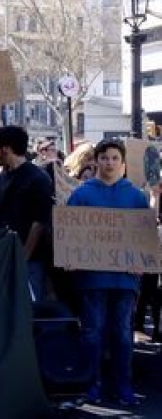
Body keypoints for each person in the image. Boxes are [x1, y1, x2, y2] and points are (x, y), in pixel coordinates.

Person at [65, 139, 147, 407]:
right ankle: (93, 383)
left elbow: (144, 237)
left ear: (122, 162)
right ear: (96, 161)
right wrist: (70, 256)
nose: (109, 163)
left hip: (125, 278)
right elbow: (69, 233)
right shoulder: (81, 194)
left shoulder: (136, 196)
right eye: (105, 158)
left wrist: (142, 261)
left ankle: (123, 384)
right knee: (93, 331)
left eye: (114, 158)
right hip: (91, 277)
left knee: (122, 333)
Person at [0, 125, 53, 301]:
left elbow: (40, 221)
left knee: (29, 310)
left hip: (31, 261)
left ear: (6, 148)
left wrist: (24, 256)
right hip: (4, 257)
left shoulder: (38, 179)